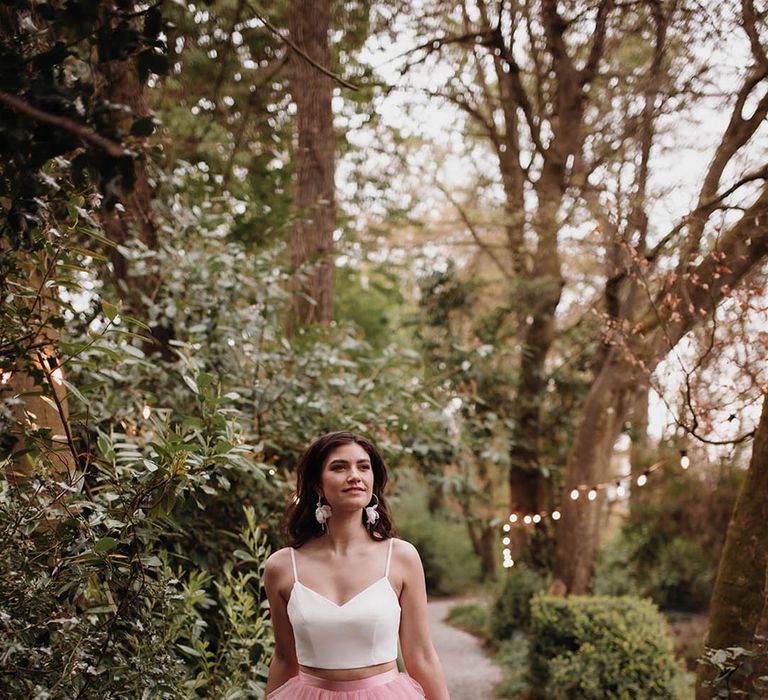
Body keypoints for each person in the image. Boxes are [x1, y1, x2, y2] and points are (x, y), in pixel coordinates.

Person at [264, 431, 450, 700]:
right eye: (339, 467)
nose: (354, 475)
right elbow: (283, 657)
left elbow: (421, 655)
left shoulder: (400, 557)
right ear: (318, 485)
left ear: (373, 480)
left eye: (363, 467)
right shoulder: (281, 567)